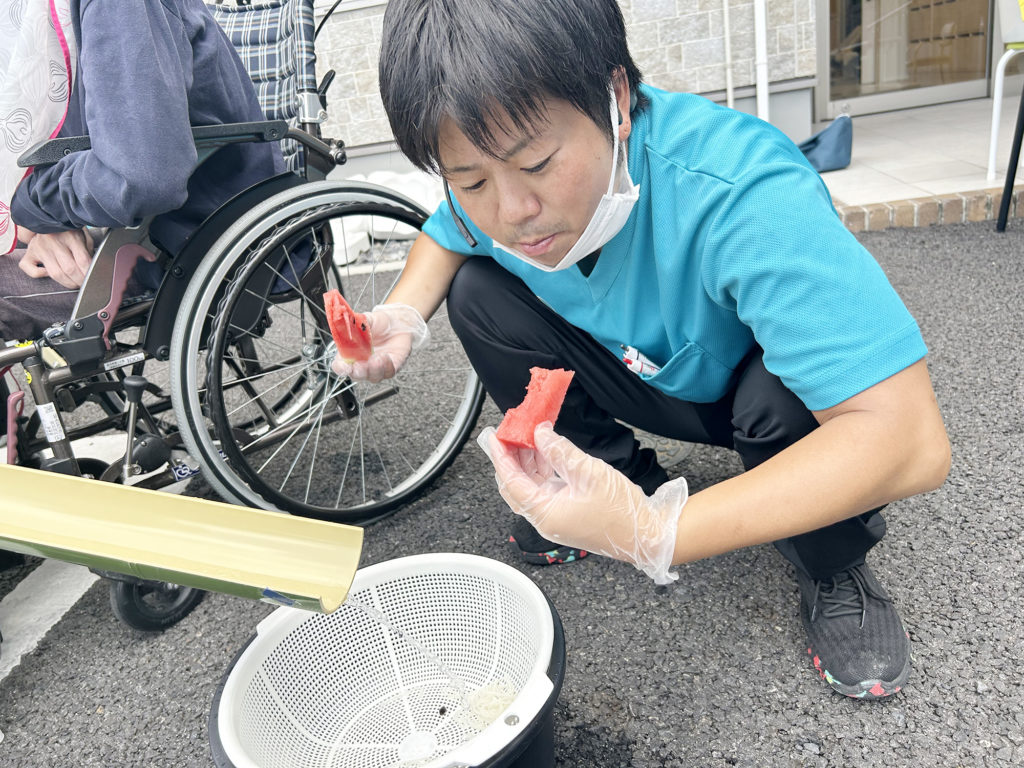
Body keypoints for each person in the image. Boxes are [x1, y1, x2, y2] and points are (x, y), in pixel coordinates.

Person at [334, 0, 951, 700]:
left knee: (788, 395)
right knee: (477, 293)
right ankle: (614, 485)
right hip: (646, 370)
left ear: (617, 98)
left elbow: (909, 440)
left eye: (535, 163)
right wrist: (405, 317)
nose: (511, 212)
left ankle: (834, 561)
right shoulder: (497, 200)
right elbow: (448, 235)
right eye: (470, 179)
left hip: (756, 397)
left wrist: (657, 534)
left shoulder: (740, 189)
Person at [1, 0, 283, 344]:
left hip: (184, 241)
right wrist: (54, 221)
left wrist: (35, 206)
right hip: (145, 223)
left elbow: (141, 178)